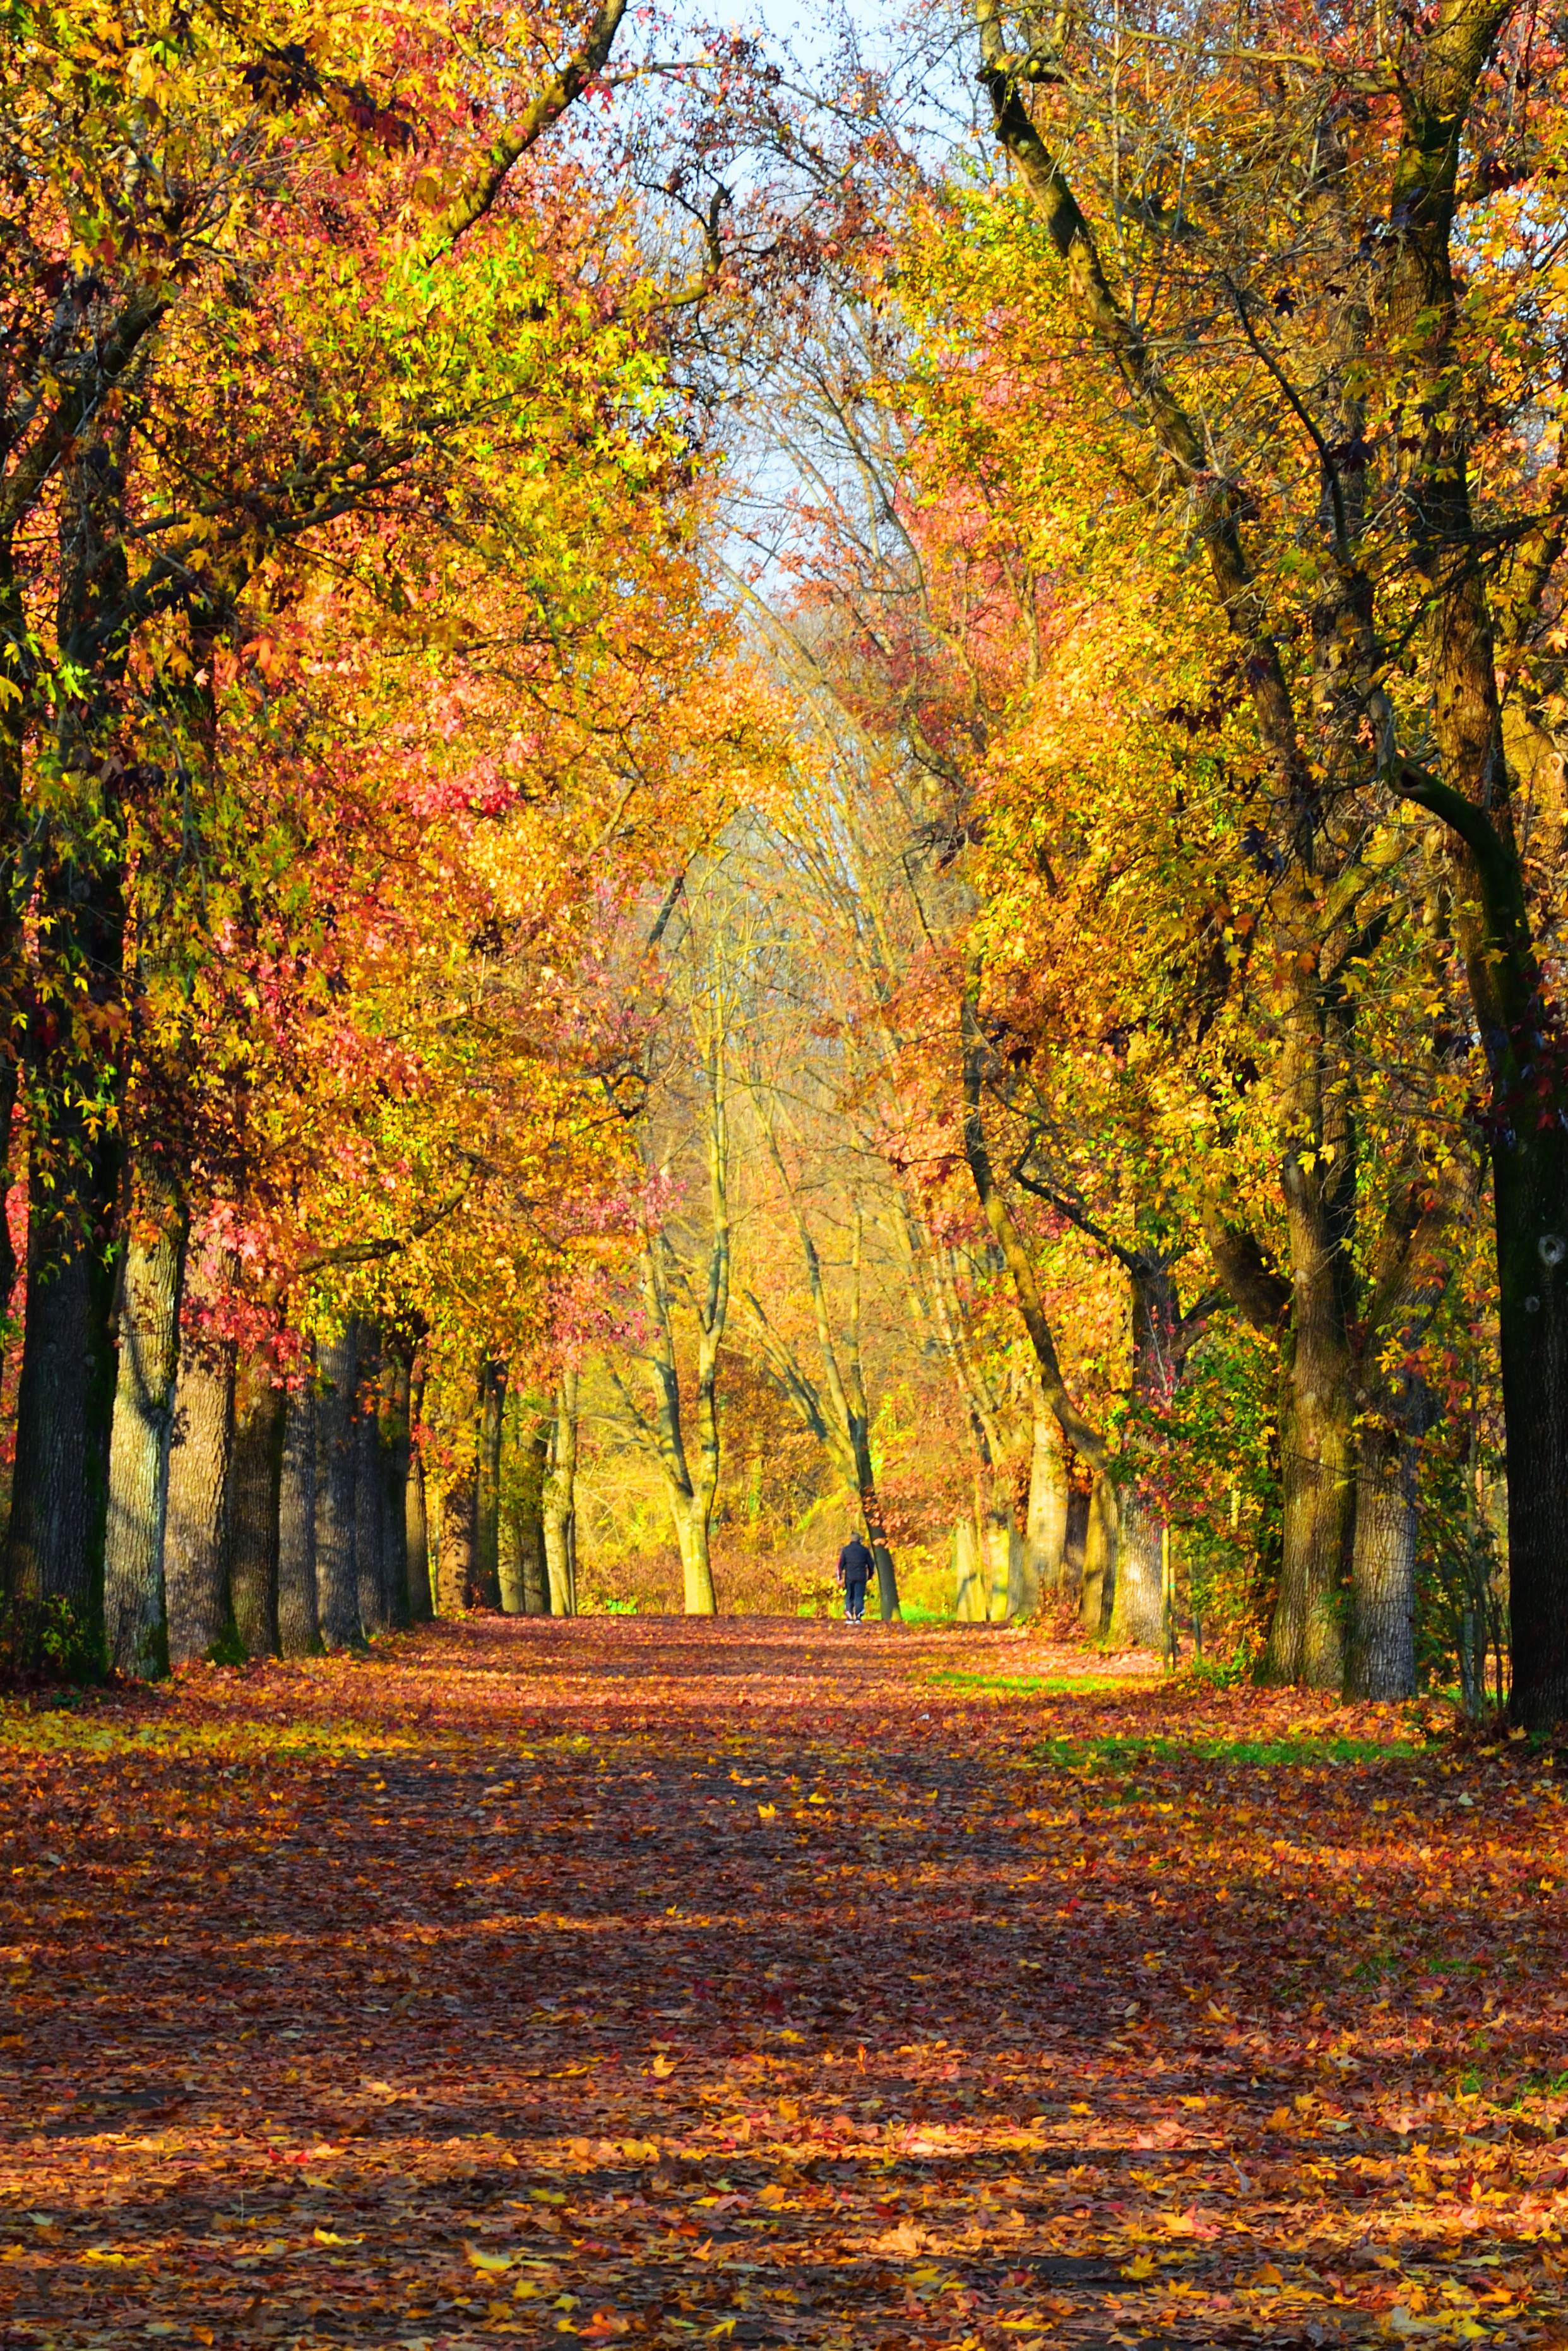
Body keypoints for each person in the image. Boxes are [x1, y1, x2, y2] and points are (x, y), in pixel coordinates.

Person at [838, 1532, 873, 1625]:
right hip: (861, 1576)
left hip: (849, 1576)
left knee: (849, 1595)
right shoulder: (865, 1550)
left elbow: (840, 1565)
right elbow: (871, 1564)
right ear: (859, 1540)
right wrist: (870, 1575)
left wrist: (839, 1578)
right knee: (859, 1596)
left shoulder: (845, 1550)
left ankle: (849, 1616)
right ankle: (858, 1617)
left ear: (851, 1540)